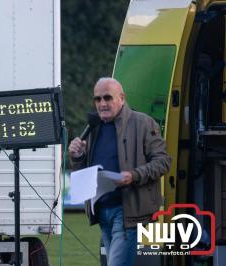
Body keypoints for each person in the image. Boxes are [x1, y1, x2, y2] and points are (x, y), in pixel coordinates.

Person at [68, 77, 171, 266]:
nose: (102, 103)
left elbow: (163, 161)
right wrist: (77, 156)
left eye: (107, 98)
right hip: (102, 210)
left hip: (127, 211)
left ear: (122, 98)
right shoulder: (92, 128)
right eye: (97, 99)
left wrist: (134, 175)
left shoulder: (143, 123)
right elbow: (84, 171)